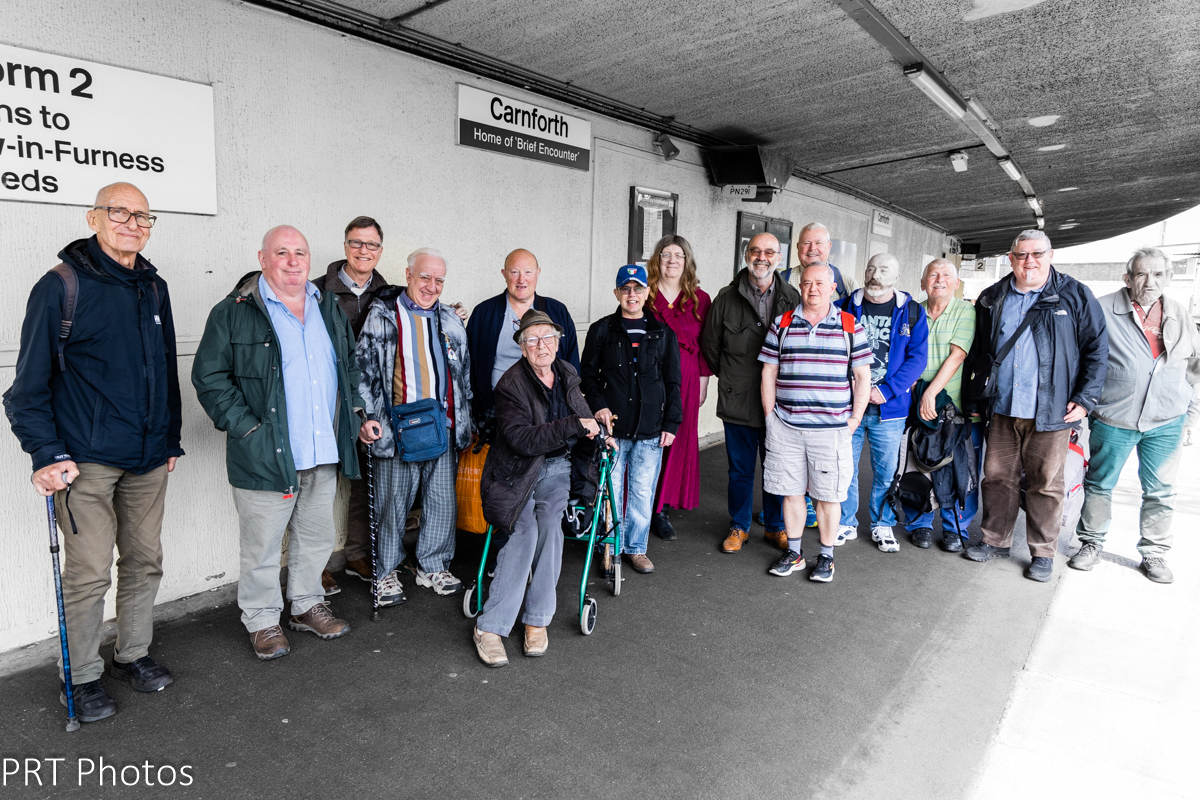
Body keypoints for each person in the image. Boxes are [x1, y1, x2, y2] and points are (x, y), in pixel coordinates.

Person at [7, 182, 182, 721]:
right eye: (119, 212)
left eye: (143, 216)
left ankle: (133, 654)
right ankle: (80, 676)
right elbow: (26, 389)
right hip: (85, 460)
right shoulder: (60, 286)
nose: (132, 223)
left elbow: (165, 370)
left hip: (149, 457)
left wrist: (170, 438)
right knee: (88, 573)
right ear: (93, 218)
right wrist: (45, 453)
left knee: (145, 561)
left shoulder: (153, 287)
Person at [193, 225, 361, 660]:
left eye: (299, 252)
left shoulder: (327, 307)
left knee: (316, 536)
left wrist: (357, 411)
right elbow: (210, 378)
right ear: (263, 258)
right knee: (262, 546)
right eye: (281, 252)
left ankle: (305, 605)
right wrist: (247, 429)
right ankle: (262, 619)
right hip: (265, 454)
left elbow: (348, 366)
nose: (292, 261)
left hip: (322, 450)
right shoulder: (233, 312)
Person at [964, 231, 1108, 582]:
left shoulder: (1075, 295)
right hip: (1003, 407)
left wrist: (1085, 399)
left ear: (1050, 255)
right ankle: (995, 539)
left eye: (1037, 254)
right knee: (997, 477)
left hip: (1052, 409)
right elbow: (979, 352)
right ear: (1011, 258)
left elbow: (1097, 349)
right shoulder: (993, 297)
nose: (1029, 261)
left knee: (1045, 483)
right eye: (1022, 255)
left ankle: (1043, 552)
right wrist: (975, 400)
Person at [472, 310, 605, 666]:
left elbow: (583, 414)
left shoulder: (566, 373)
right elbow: (521, 440)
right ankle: (490, 627)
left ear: (558, 342)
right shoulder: (511, 384)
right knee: (525, 529)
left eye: (547, 337)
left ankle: (537, 619)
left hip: (557, 467)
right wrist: (572, 425)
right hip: (515, 470)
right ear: (522, 348)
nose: (541, 345)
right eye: (532, 340)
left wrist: (599, 432)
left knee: (549, 524)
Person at [1069, 247, 1199, 583]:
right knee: (1099, 484)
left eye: (1158, 274)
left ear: (1169, 278)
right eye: (1142, 273)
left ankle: (1154, 552)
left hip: (1167, 421)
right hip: (1114, 418)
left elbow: (1195, 369)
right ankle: (1091, 542)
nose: (1150, 281)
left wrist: (1192, 416)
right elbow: (1079, 360)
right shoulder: (1102, 309)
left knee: (1161, 491)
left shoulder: (1180, 314)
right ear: (1128, 278)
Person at [356, 248, 473, 605]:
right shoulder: (383, 316)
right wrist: (367, 417)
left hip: (442, 425)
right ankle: (385, 572)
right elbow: (362, 372)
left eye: (439, 280)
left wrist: (464, 418)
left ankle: (433, 565)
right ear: (408, 275)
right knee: (393, 504)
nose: (431, 286)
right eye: (424, 277)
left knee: (441, 502)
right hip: (396, 429)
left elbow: (464, 374)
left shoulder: (450, 318)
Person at [759, 264, 872, 583]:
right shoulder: (782, 323)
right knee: (791, 493)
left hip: (831, 430)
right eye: (807, 283)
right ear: (800, 286)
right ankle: (794, 554)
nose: (813, 289)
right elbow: (768, 372)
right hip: (786, 427)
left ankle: (826, 557)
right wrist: (770, 417)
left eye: (820, 283)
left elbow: (863, 377)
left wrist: (854, 420)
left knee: (828, 496)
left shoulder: (850, 326)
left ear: (833, 287)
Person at [700, 233, 801, 553]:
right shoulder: (726, 298)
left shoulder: (792, 298)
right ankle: (739, 526)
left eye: (769, 252)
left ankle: (775, 527)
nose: (762, 257)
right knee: (740, 470)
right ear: (746, 255)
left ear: (779, 258)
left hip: (781, 402)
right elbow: (711, 346)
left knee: (777, 468)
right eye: (755, 251)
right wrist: (733, 377)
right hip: (738, 398)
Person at [309, 216, 395, 592]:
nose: (364, 250)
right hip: (326, 400)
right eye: (356, 243)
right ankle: (314, 564)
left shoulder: (390, 295)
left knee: (364, 480)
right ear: (345, 246)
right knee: (318, 482)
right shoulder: (316, 292)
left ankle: (358, 552)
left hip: (370, 401)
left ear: (380, 250)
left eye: (371, 244)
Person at [580, 264, 682, 574]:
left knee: (642, 491)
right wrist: (598, 407)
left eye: (638, 288)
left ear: (647, 292)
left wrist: (671, 424)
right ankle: (610, 549)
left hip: (651, 429)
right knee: (610, 493)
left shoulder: (663, 333)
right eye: (626, 288)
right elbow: (587, 377)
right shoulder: (601, 330)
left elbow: (673, 382)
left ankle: (636, 549)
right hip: (612, 430)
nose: (632, 294)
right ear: (617, 293)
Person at [835, 253, 928, 552]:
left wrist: (886, 391)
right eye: (871, 269)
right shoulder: (845, 306)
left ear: (896, 277)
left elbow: (917, 358)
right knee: (845, 468)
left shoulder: (912, 312)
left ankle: (882, 523)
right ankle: (846, 522)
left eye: (884, 270)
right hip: (849, 405)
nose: (876, 275)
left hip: (889, 409)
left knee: (886, 472)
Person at [904, 258, 982, 551]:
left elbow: (957, 355)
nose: (939, 279)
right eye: (933, 274)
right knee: (916, 463)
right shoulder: (913, 311)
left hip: (953, 406)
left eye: (946, 275)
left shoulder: (965, 311)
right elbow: (903, 352)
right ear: (923, 282)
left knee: (958, 466)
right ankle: (920, 522)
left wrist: (930, 393)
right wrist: (914, 385)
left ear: (956, 283)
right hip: (915, 402)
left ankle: (955, 527)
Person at [645, 234, 712, 540]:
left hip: (686, 380)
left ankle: (661, 509)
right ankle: (641, 501)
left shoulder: (700, 299)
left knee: (676, 441)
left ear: (687, 261)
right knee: (648, 439)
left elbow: (706, 345)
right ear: (656, 260)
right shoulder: (644, 294)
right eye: (666, 255)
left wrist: (703, 381)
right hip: (650, 379)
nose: (672, 261)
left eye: (678, 255)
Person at [466, 248, 580, 423]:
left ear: (538, 273)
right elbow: (469, 367)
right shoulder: (483, 313)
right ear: (504, 274)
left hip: (551, 411)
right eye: (514, 272)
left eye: (528, 272)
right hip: (497, 411)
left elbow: (572, 364)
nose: (521, 279)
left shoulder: (557, 311)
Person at [779, 222, 858, 302]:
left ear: (829, 246)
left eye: (818, 243)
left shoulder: (848, 284)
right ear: (798, 246)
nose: (812, 248)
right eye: (806, 243)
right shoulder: (780, 281)